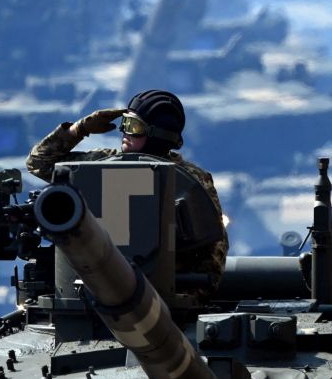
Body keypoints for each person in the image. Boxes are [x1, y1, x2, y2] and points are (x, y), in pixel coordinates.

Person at [27, 89, 228, 293]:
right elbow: (38, 162)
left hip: (167, 292)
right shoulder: (101, 163)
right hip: (92, 288)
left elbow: (212, 248)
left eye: (133, 126)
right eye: (124, 124)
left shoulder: (191, 180)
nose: (124, 132)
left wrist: (191, 297)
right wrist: (79, 129)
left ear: (157, 134)